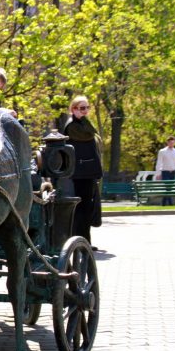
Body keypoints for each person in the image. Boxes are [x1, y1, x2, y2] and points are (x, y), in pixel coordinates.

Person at [62, 95, 102, 249]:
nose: (86, 111)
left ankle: (85, 241)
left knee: (86, 208)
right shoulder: (73, 126)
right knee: (82, 209)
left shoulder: (82, 123)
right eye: (82, 108)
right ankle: (81, 242)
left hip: (87, 172)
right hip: (80, 173)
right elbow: (89, 134)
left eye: (87, 107)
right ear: (73, 109)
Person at [155, 135, 175, 206]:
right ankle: (170, 204)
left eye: (173, 142)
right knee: (168, 188)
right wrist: (158, 174)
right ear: (167, 143)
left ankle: (163, 204)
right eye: (170, 142)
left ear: (174, 143)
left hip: (172, 172)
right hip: (165, 172)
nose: (171, 144)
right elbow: (159, 163)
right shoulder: (162, 151)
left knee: (169, 189)